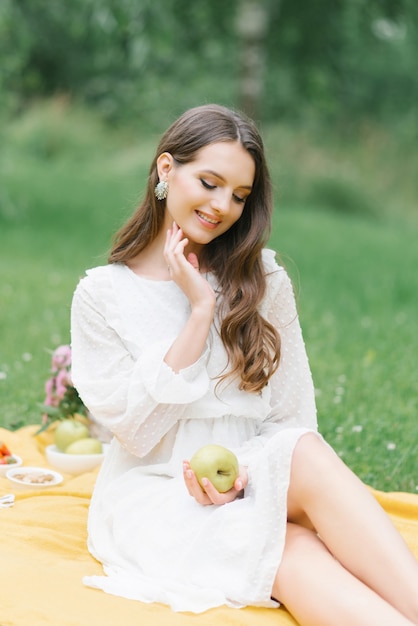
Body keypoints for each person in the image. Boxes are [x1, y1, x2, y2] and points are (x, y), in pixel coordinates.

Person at [70, 104, 418, 626]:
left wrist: (245, 476)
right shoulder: (102, 295)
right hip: (155, 495)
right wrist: (200, 313)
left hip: (249, 470)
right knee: (291, 551)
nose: (222, 207)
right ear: (167, 170)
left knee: (301, 450)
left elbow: (292, 418)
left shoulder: (263, 280)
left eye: (238, 195)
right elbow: (135, 432)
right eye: (209, 183)